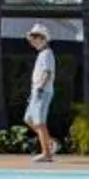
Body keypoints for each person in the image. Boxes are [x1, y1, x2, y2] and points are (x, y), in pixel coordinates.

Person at [23, 24, 58, 164]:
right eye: (32, 38)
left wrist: (40, 89)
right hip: (37, 92)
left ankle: (47, 154)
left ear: (43, 38)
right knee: (29, 119)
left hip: (42, 92)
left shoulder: (47, 54)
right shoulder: (42, 54)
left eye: (35, 37)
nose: (32, 41)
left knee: (40, 123)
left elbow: (47, 73)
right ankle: (50, 142)